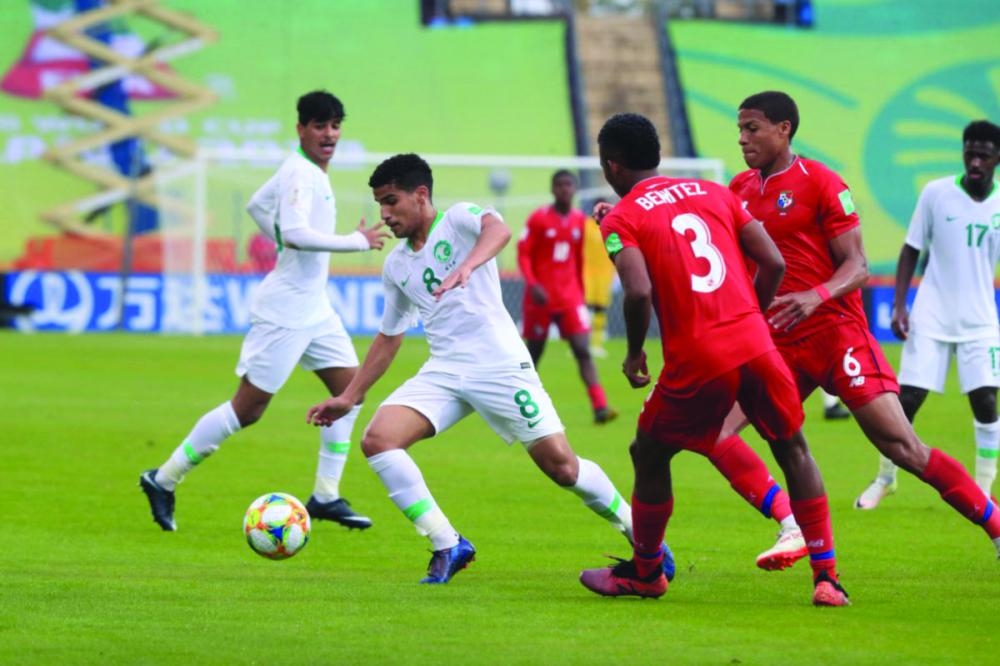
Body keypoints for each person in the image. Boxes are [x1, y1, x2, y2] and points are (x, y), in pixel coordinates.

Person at [305, 153, 674, 584]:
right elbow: (389, 337)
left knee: (563, 468)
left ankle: (642, 537)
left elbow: (499, 230)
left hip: (499, 365)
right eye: (380, 204)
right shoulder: (397, 266)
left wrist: (468, 264)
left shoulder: (458, 219)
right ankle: (447, 543)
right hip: (445, 371)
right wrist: (349, 397)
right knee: (378, 440)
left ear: (420, 195)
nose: (384, 215)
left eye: (391, 202)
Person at [578, 112, 848, 606]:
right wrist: (752, 316)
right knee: (793, 448)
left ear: (612, 166)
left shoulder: (621, 218)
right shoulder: (715, 192)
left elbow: (637, 291)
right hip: (757, 344)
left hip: (698, 356)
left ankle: (645, 572)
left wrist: (635, 352)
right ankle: (827, 578)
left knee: (649, 451)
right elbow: (774, 261)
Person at [719, 91, 1000, 557]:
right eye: (740, 129)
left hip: (835, 334)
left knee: (902, 447)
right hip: (777, 343)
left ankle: (994, 523)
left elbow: (858, 265)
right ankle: (792, 528)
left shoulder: (822, 182)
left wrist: (815, 295)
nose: (742, 139)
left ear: (784, 129)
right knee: (717, 429)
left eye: (752, 128)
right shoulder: (739, 189)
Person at [139, 90, 389, 532]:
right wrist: (355, 242)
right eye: (319, 125)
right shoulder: (301, 174)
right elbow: (292, 232)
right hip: (286, 310)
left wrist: (285, 242)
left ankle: (325, 496)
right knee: (248, 409)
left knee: (349, 392)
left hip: (315, 306)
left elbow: (257, 206)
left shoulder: (305, 169)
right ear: (301, 129)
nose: (329, 134)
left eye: (335, 125)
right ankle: (163, 479)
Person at [856, 119, 1000, 509]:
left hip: (981, 320)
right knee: (906, 402)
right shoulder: (936, 193)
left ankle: (982, 491)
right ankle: (885, 478)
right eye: (970, 153)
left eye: (984, 155)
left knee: (987, 403)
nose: (975, 161)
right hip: (932, 313)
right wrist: (899, 305)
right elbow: (911, 249)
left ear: (997, 159)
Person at [518, 171, 617, 424]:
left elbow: (578, 259)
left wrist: (580, 293)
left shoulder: (578, 221)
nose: (564, 189)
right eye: (560, 185)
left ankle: (600, 406)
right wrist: (533, 284)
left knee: (583, 349)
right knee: (533, 354)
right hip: (540, 298)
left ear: (575, 189)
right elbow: (524, 253)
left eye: (569, 184)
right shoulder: (538, 219)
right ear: (553, 189)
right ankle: (519, 406)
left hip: (570, 297)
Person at [583, 196, 616, 358]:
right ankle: (582, 343)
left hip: (605, 274)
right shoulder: (585, 226)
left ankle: (596, 344)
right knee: (585, 308)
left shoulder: (612, 226)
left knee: (600, 309)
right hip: (587, 272)